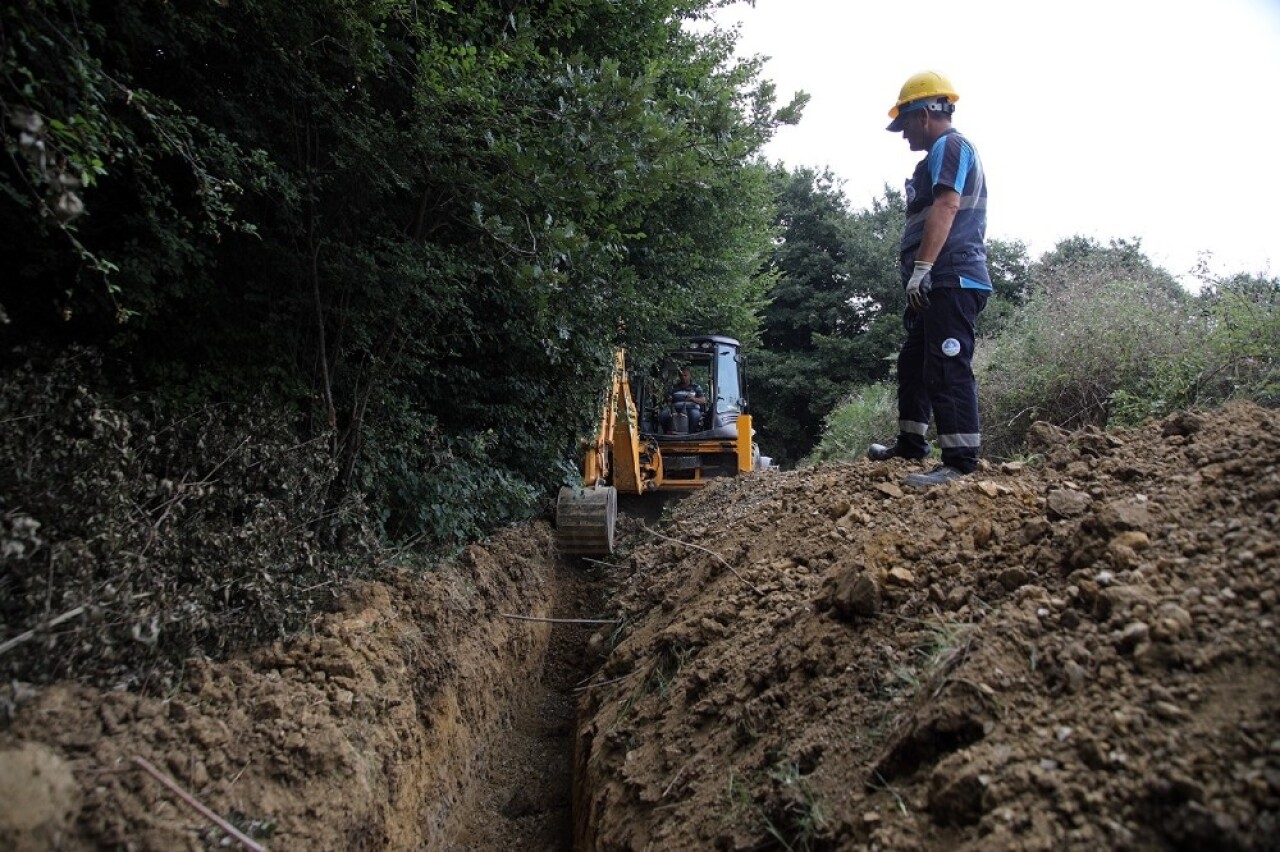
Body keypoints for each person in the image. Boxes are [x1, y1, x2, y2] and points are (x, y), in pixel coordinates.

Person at [868, 71, 992, 488]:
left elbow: (947, 205)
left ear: (923, 115)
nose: (903, 135)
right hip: (936, 281)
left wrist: (923, 269)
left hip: (952, 277)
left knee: (946, 363)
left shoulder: (950, 146)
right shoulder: (935, 156)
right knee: (914, 361)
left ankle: (959, 461)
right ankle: (912, 442)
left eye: (904, 125)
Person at [663, 367, 707, 433]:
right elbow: (667, 398)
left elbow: (703, 400)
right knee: (663, 414)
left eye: (685, 375)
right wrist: (668, 398)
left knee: (695, 415)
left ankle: (691, 435)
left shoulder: (696, 387)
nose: (683, 377)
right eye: (681, 375)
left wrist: (693, 399)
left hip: (691, 409)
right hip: (675, 409)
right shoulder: (674, 387)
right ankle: (667, 433)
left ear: (690, 376)